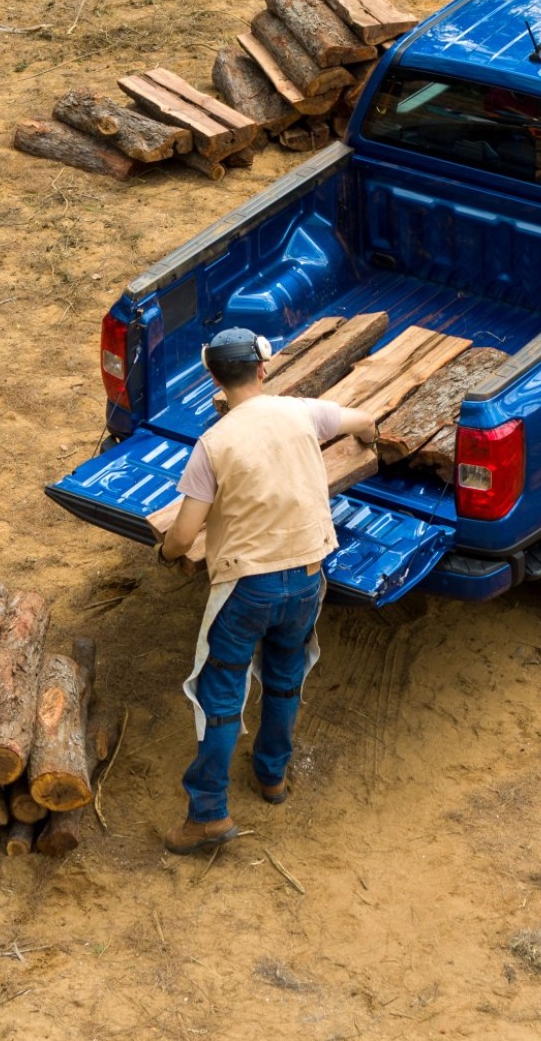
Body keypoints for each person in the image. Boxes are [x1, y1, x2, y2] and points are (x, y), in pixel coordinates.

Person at [155, 326, 377, 855]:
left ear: (213, 376)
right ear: (262, 369)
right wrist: (369, 443)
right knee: (284, 675)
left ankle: (208, 814)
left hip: (246, 587)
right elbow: (363, 422)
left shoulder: (213, 444)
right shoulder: (302, 412)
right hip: (305, 580)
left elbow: (185, 534)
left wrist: (166, 553)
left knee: (221, 695)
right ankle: (272, 776)